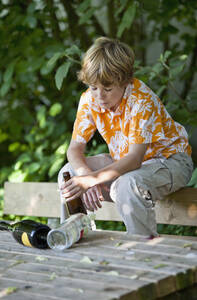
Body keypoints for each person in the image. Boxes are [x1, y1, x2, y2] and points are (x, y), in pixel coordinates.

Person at [58, 37, 193, 237]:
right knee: (68, 173)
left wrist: (92, 180)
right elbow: (74, 149)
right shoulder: (89, 99)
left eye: (108, 89)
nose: (99, 96)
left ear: (125, 81)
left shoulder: (141, 100)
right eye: (94, 87)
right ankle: (74, 234)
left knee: (128, 185)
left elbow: (134, 159)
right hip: (128, 165)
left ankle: (141, 251)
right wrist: (85, 174)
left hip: (170, 162)